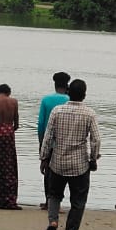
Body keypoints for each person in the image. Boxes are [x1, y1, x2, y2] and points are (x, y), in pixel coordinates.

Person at [39, 78, 100, 230]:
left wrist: (44, 157)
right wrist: (93, 159)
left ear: (68, 93)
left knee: (54, 195)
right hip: (79, 165)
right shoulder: (89, 113)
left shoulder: (57, 111)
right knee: (78, 201)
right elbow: (96, 140)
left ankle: (53, 221)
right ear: (84, 95)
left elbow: (48, 136)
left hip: (57, 162)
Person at [36, 71, 71, 208]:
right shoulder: (70, 100)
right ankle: (58, 201)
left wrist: (41, 144)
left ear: (55, 83)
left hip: (49, 142)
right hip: (66, 143)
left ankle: (48, 201)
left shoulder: (46, 100)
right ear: (67, 84)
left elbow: (40, 124)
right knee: (62, 174)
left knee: (48, 172)